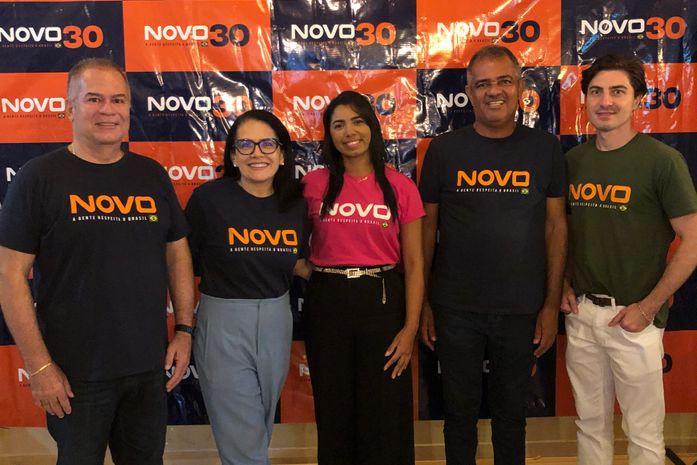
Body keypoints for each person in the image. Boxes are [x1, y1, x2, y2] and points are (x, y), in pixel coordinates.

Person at [0, 58, 195, 465]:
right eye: (93, 99)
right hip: (74, 375)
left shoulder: (151, 175)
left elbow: (177, 252)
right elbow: (9, 275)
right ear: (69, 108)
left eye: (118, 100)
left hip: (147, 368)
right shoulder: (39, 178)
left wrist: (183, 329)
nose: (108, 110)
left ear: (129, 108)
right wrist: (39, 367)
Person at [418, 44, 567, 465]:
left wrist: (550, 305)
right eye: (483, 84)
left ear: (520, 87)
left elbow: (556, 227)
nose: (494, 91)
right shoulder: (444, 150)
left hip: (521, 309)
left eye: (504, 81)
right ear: (469, 92)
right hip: (455, 308)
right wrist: (424, 302)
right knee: (458, 416)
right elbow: (425, 229)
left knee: (511, 418)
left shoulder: (546, 148)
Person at [562, 54, 697, 465]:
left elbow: (693, 240)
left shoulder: (662, 161)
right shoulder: (573, 162)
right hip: (582, 315)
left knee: (643, 434)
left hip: (634, 320)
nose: (606, 101)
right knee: (589, 425)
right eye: (596, 92)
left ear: (638, 99)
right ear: (585, 99)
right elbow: (562, 234)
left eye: (618, 91)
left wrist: (649, 306)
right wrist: (563, 285)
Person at [301, 90, 425, 465]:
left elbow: (415, 263)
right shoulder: (313, 184)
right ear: (329, 134)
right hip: (327, 302)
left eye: (357, 121)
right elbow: (281, 239)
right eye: (338, 125)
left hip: (383, 300)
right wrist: (307, 269)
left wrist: (410, 330)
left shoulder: (401, 186)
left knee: (386, 410)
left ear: (372, 126)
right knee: (334, 408)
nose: (349, 132)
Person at [185, 110, 308, 465]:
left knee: (258, 428)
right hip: (224, 321)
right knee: (243, 437)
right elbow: (181, 262)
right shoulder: (209, 200)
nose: (258, 153)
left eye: (268, 144)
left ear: (282, 154)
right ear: (233, 155)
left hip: (276, 319)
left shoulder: (295, 205)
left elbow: (298, 263)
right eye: (246, 145)